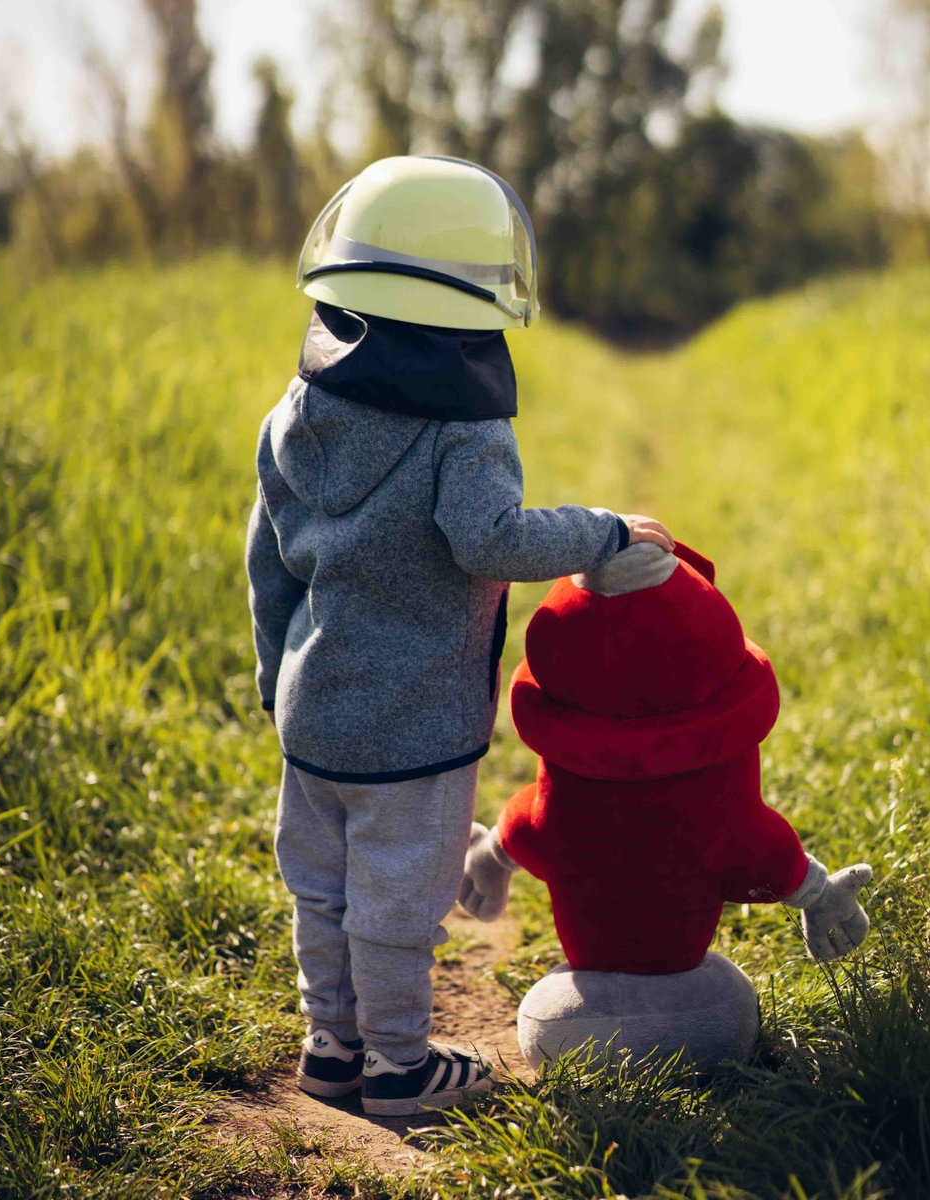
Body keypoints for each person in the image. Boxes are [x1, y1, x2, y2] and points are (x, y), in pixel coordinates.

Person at [245, 155, 673, 1117]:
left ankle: (331, 1047)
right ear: (482, 290)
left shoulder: (296, 410)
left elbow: (267, 557)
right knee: (397, 902)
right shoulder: (463, 430)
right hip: (419, 723)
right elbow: (491, 537)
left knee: (323, 888)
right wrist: (602, 532)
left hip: (313, 711)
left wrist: (279, 677)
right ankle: (399, 1065)